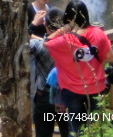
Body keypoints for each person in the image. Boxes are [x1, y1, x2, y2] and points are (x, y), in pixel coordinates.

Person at [44, 0, 109, 137]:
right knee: (95, 128)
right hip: (96, 88)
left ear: (67, 19)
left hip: (73, 91)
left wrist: (62, 30)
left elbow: (46, 43)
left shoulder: (65, 40)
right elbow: (105, 56)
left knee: (75, 129)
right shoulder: (98, 33)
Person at [30, 7, 65, 137]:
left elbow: (19, 40)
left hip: (43, 96)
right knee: (68, 132)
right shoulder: (70, 44)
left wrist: (33, 23)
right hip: (65, 97)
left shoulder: (37, 45)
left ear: (45, 24)